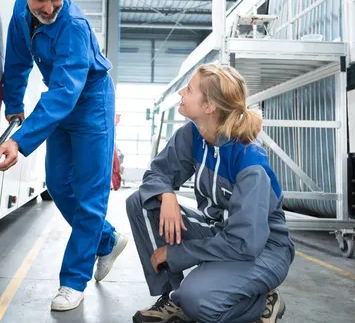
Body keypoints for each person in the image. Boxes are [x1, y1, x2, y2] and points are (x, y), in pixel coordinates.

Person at [0, 0, 128, 311]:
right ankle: (107, 239)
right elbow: (18, 60)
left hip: (90, 104)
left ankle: (73, 280)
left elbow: (67, 93)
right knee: (57, 184)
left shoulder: (74, 27)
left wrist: (19, 142)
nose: (50, 7)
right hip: (59, 101)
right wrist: (14, 105)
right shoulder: (22, 14)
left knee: (89, 194)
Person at [126, 63, 295, 323]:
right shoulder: (193, 135)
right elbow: (156, 175)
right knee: (142, 201)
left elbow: (244, 241)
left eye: (190, 89)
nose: (182, 92)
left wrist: (176, 254)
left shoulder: (249, 158)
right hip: (218, 230)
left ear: (209, 107)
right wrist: (166, 195)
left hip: (262, 248)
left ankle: (263, 303)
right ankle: (170, 297)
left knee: (198, 301)